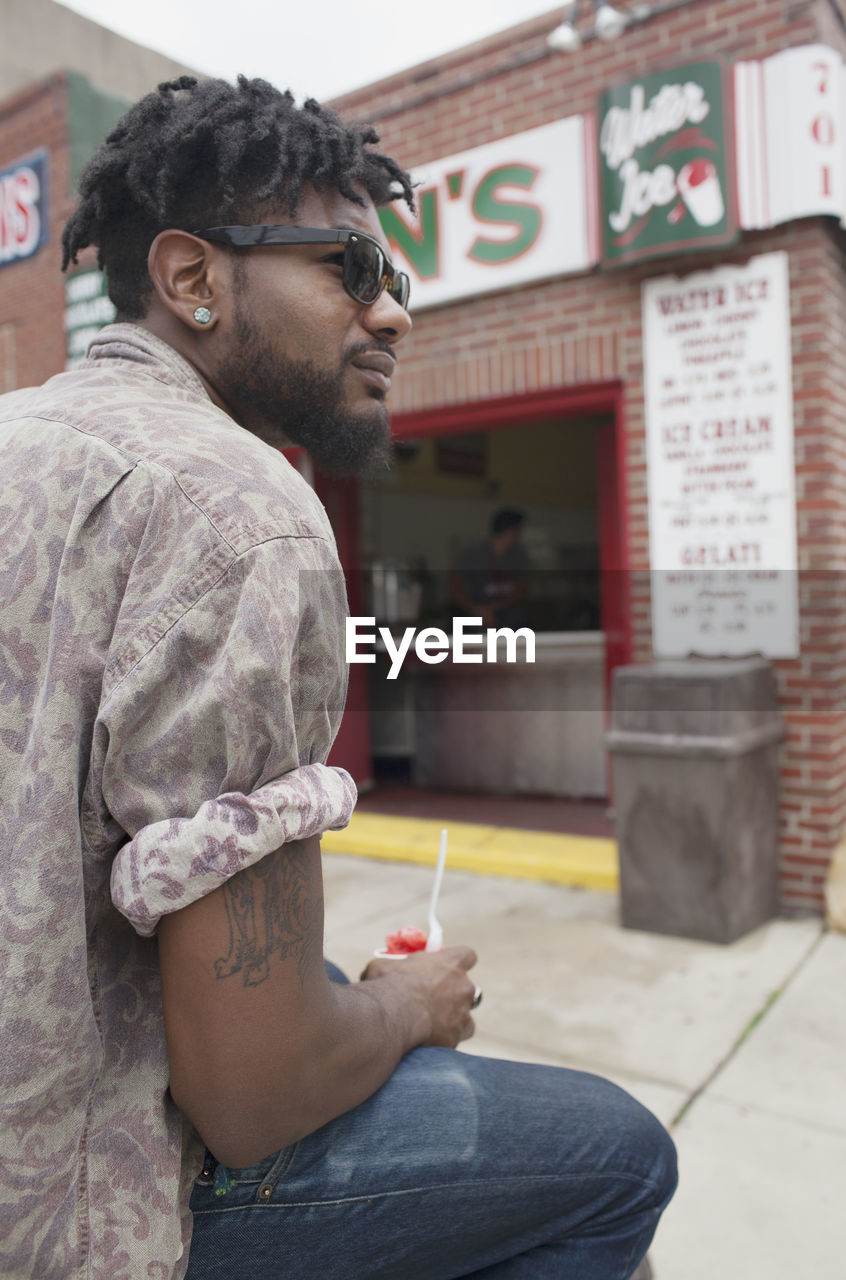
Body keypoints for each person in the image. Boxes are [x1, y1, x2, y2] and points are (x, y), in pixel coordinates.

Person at [0, 77, 676, 1279]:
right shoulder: (243, 511)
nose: (393, 316)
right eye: (349, 270)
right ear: (194, 279)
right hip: (70, 1210)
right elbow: (254, 1094)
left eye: (396, 281)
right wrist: (410, 1006)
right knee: (620, 1156)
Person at [450, 507, 532, 629]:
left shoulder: (519, 555)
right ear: (509, 531)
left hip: (510, 616)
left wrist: (495, 608)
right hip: (476, 614)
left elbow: (522, 587)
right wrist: (476, 609)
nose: (519, 535)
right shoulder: (473, 553)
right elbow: (453, 587)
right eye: (517, 530)